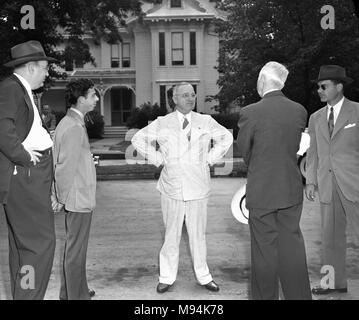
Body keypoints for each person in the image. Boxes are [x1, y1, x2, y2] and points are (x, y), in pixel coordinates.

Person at [132, 82, 233, 294]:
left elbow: (226, 137)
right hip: (172, 186)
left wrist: (209, 159)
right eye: (185, 95)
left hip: (198, 186)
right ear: (174, 99)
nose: (190, 98)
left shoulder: (205, 121)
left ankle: (204, 276)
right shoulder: (163, 122)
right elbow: (138, 138)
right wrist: (159, 158)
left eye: (193, 94)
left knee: (198, 234)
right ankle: (166, 277)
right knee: (171, 234)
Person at [237, 62, 312, 300]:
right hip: (290, 189)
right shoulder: (299, 110)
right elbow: (297, 147)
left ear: (262, 80)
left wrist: (259, 168)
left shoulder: (250, 112)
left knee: (264, 253)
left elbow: (245, 151)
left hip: (262, 192)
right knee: (292, 248)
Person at [0, 40, 57, 299]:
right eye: (44, 68)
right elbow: (2, 128)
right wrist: (24, 157)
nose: (47, 73)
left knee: (25, 247)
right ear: (31, 67)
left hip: (30, 175)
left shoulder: (19, 89)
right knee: (39, 245)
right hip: (26, 175)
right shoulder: (11, 88)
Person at [305, 65, 359, 295]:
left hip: (354, 185)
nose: (319, 90)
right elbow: (313, 153)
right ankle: (332, 283)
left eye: (324, 86)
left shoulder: (357, 111)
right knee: (330, 240)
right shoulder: (315, 117)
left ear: (339, 86)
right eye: (318, 87)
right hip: (327, 186)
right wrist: (310, 181)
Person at [52, 79, 98, 300]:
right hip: (78, 198)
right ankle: (75, 296)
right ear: (81, 100)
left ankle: (73, 291)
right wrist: (60, 197)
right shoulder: (73, 127)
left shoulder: (70, 122)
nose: (96, 99)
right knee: (75, 252)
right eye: (92, 95)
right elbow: (64, 167)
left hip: (78, 196)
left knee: (75, 249)